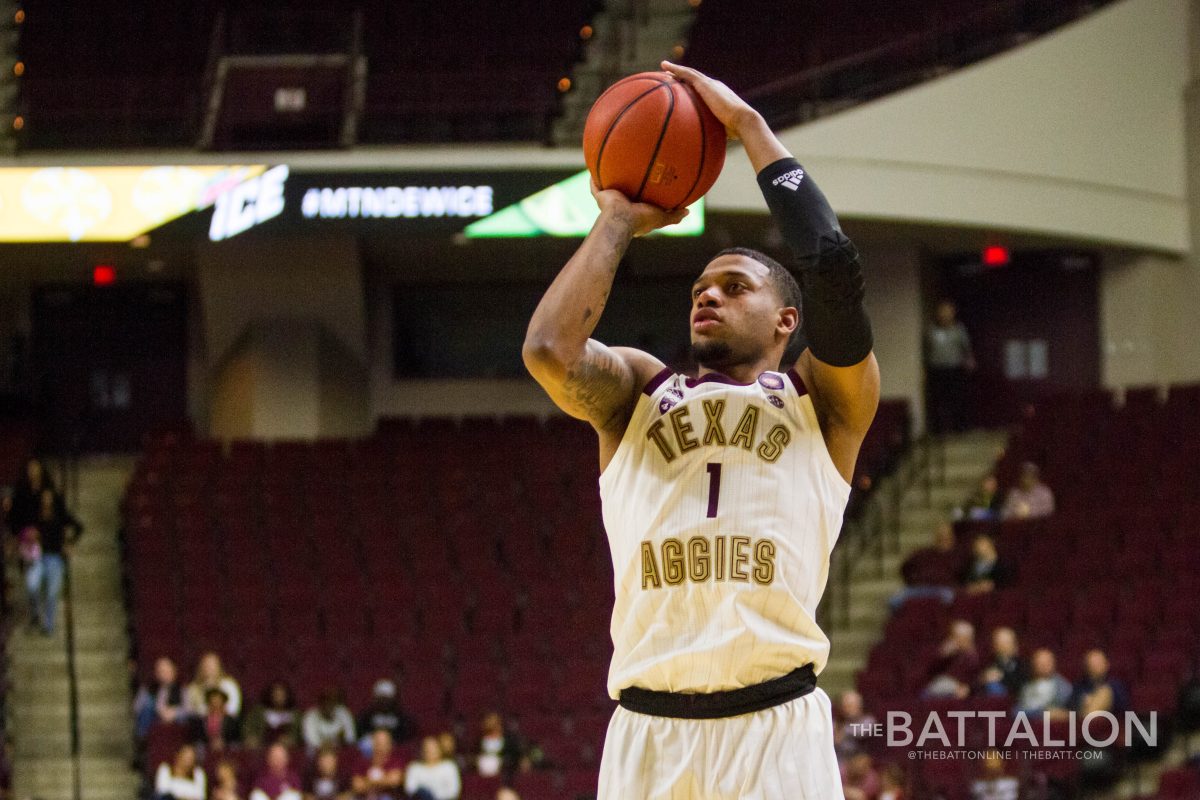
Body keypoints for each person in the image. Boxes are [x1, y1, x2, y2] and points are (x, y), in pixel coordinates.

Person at [522, 60, 879, 800]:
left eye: (734, 286)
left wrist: (749, 128)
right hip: (648, 733)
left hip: (774, 727)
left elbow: (834, 269)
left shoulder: (824, 401)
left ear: (787, 319)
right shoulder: (638, 393)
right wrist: (617, 217)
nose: (708, 296)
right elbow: (548, 351)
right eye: (699, 288)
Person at [29, 487, 82, 635]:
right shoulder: (36, 516)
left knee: (52, 592)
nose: (46, 501)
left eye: (49, 498)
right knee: (32, 585)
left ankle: (48, 625)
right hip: (38, 556)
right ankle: (35, 615)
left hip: (55, 558)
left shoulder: (60, 516)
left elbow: (78, 527)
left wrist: (70, 543)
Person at [924, 299, 975, 434]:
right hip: (937, 370)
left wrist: (969, 361)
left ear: (953, 313)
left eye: (948, 312)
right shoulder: (932, 330)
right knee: (938, 400)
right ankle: (939, 430)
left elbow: (966, 348)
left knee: (957, 398)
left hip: (955, 369)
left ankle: (960, 428)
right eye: (942, 311)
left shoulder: (959, 330)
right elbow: (926, 350)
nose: (945, 315)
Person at [889, 522, 963, 610]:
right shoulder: (924, 553)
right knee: (894, 601)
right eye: (940, 535)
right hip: (919, 588)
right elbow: (905, 567)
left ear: (952, 536)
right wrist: (912, 581)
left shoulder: (958, 555)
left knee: (949, 599)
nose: (943, 538)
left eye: (946, 535)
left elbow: (963, 576)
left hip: (943, 589)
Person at [134, 656, 187, 742]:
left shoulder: (181, 689)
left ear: (174, 672)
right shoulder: (147, 689)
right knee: (147, 706)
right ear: (156, 673)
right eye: (161, 671)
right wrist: (157, 709)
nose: (164, 675)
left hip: (174, 724)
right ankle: (143, 742)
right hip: (152, 723)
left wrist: (174, 713)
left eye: (167, 671)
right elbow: (136, 709)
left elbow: (188, 710)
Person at [923, 620, 979, 699]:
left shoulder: (972, 656)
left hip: (958, 686)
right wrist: (943, 655)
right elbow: (931, 670)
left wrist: (967, 687)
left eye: (964, 637)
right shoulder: (947, 651)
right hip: (941, 683)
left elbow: (974, 677)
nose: (959, 640)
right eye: (956, 636)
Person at [356, 679, 417, 750]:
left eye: (387, 699)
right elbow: (360, 733)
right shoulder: (367, 715)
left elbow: (407, 735)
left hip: (395, 747)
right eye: (381, 698)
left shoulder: (401, 716)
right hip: (372, 747)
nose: (384, 702)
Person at [1069, 649, 1128, 717]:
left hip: (1110, 723)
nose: (1095, 668)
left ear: (1107, 665)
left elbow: (1123, 707)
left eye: (1098, 664)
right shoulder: (1079, 686)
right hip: (1079, 720)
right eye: (1092, 664)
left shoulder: (1115, 685)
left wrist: (1098, 700)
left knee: (1105, 692)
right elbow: (1071, 707)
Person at [243, 680, 301, 748]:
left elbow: (300, 736)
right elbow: (248, 729)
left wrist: (292, 741)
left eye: (282, 695)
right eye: (276, 694)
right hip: (260, 750)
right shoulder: (258, 712)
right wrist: (252, 738)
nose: (279, 697)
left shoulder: (296, 715)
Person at [1016, 648, 1072, 717]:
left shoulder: (1063, 687)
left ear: (1053, 664)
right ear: (1033, 665)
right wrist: (1041, 713)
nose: (1044, 666)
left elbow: (1066, 712)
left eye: (1047, 663)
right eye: (1040, 663)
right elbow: (1016, 712)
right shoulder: (1026, 687)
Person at [184, 651, 242, 718]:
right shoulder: (193, 688)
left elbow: (233, 709)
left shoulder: (229, 685)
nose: (209, 668)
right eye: (206, 665)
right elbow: (189, 711)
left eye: (212, 665)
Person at [350, 730, 405, 800]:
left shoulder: (396, 761)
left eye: (384, 743)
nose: (381, 747)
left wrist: (368, 782)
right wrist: (383, 781)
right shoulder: (362, 762)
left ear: (390, 745)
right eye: (378, 743)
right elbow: (357, 786)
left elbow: (394, 781)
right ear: (372, 743)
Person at [404, 735, 461, 800]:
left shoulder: (449, 766)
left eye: (433, 748)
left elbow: (453, 791)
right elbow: (410, 789)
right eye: (427, 748)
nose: (430, 751)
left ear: (440, 749)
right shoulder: (414, 767)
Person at [977, 627, 1027, 697]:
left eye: (1006, 643)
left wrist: (1002, 676)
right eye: (999, 643)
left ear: (1015, 645)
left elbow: (1022, 685)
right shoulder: (987, 663)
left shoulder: (1023, 664)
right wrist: (983, 679)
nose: (1003, 647)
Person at [302, 688, 356, 752]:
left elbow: (350, 738)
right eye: (326, 702)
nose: (329, 706)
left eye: (333, 702)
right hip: (317, 754)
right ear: (320, 704)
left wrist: (340, 741)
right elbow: (313, 743)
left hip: (341, 751)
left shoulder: (344, 713)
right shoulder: (310, 717)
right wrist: (334, 742)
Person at [474, 712, 524, 779]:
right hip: (482, 776)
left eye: (491, 720)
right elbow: (474, 756)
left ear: (498, 722)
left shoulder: (509, 741)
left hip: (502, 776)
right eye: (487, 720)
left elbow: (514, 758)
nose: (487, 722)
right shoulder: (479, 740)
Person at [190, 687, 241, 753]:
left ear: (224, 703)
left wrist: (223, 742)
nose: (215, 703)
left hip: (227, 748)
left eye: (218, 701)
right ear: (208, 703)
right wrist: (210, 742)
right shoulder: (200, 721)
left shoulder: (232, 721)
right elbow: (197, 737)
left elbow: (235, 738)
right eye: (212, 701)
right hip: (205, 749)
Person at [833, 690, 876, 761]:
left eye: (851, 706)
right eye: (845, 706)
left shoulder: (868, 720)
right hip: (840, 762)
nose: (847, 709)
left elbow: (861, 732)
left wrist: (843, 732)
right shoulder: (836, 723)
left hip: (861, 763)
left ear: (859, 706)